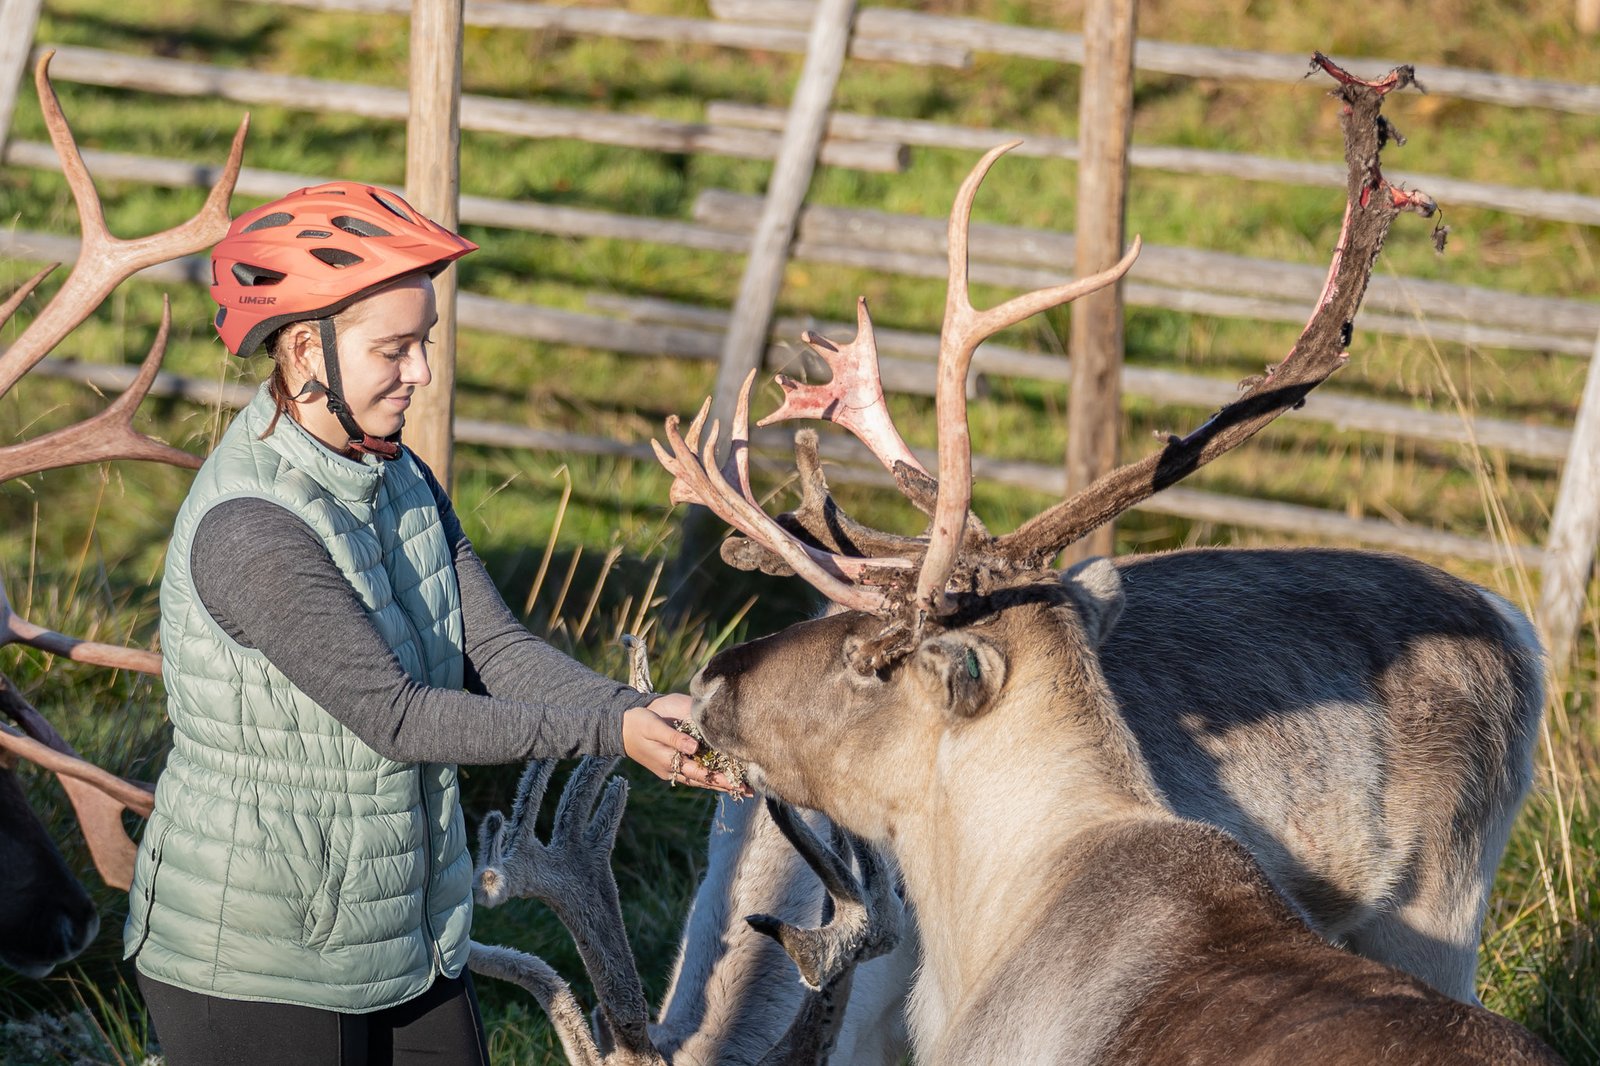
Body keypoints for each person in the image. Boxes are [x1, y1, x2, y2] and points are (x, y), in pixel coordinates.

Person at [123, 182, 739, 1066]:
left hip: (404, 934)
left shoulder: (396, 475)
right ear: (305, 350)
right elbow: (401, 719)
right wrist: (609, 727)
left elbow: (491, 649)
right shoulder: (253, 528)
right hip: (255, 959)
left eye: (426, 344)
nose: (421, 374)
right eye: (395, 349)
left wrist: (641, 711)